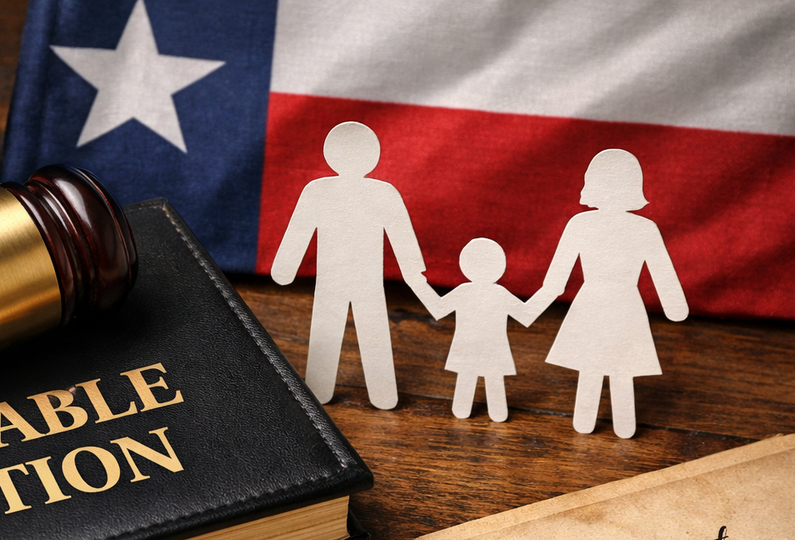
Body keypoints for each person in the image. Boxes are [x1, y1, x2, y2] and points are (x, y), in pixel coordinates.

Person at [270, 121, 439, 406]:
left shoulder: (372, 193)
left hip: (362, 281)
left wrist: (285, 268)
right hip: (340, 281)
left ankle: (378, 394)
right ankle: (327, 392)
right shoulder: (328, 191)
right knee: (335, 330)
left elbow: (402, 237)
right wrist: (414, 272)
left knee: (368, 331)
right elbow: (299, 231)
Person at [538, 149, 689, 438]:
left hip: (608, 302)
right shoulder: (634, 227)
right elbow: (557, 277)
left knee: (611, 362)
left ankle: (613, 424)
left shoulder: (589, 225)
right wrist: (674, 306)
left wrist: (534, 306)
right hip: (614, 303)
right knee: (611, 363)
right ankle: (598, 422)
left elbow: (555, 281)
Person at [434, 238, 549, 421]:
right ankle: (492, 414)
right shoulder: (497, 293)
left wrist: (417, 284)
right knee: (488, 378)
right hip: (490, 348)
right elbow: (526, 314)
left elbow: (437, 307)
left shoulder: (468, 291)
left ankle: (474, 411)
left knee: (472, 376)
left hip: (474, 347)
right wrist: (548, 292)